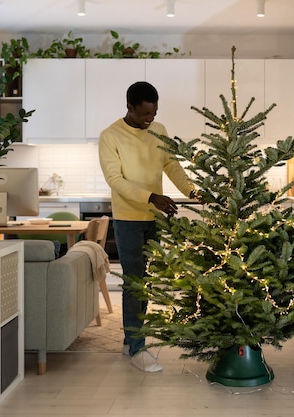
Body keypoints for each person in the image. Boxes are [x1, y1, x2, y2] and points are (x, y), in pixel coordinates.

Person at [99, 81, 195, 372]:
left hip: (154, 217)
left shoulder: (159, 130)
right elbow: (115, 180)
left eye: (153, 113)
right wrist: (151, 197)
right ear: (130, 107)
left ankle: (132, 339)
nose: (149, 119)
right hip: (129, 218)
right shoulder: (110, 136)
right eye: (144, 114)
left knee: (147, 281)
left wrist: (192, 191)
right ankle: (137, 347)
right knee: (134, 282)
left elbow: (171, 164)